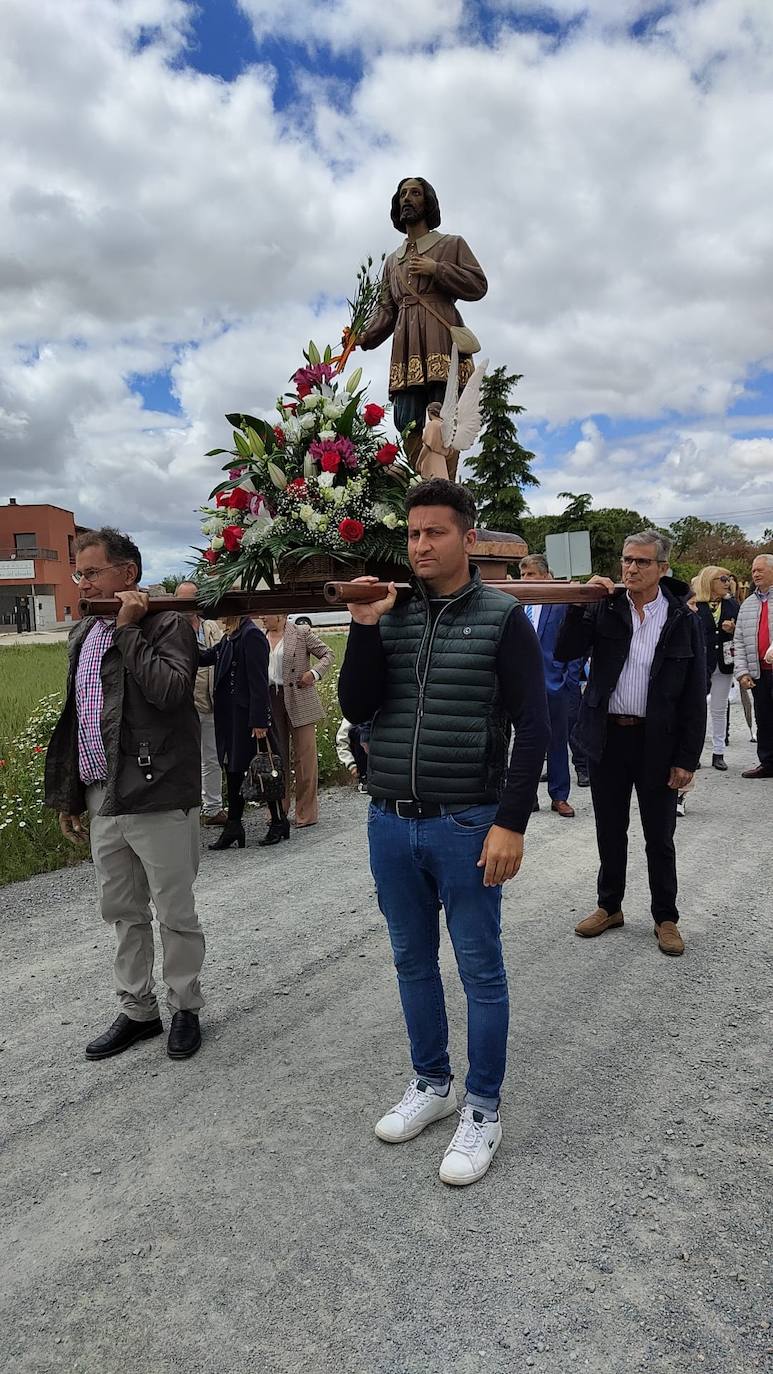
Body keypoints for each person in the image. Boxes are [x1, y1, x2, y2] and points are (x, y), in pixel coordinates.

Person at [338, 478, 549, 1187]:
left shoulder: (501, 616)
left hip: (467, 822)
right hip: (389, 818)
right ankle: (432, 1084)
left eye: (434, 532)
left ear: (468, 537)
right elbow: (358, 704)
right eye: (412, 533)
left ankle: (483, 1109)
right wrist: (365, 626)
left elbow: (534, 726)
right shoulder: (389, 615)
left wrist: (510, 823)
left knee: (480, 970)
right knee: (409, 960)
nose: (420, 545)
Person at [44, 528, 205, 1061]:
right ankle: (138, 1010)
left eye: (92, 572)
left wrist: (129, 630)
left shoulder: (167, 623)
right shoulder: (82, 634)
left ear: (128, 574)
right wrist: (71, 793)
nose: (83, 583)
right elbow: (80, 720)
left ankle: (185, 1007)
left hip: (158, 794)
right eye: (79, 573)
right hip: (103, 794)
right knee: (122, 910)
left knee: (174, 911)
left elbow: (168, 691)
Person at [556, 530, 706, 957]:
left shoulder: (682, 619)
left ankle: (666, 917)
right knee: (610, 828)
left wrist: (686, 759)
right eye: (627, 560)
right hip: (609, 736)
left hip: (658, 741)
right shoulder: (605, 610)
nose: (631, 568)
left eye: (642, 562)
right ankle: (610, 906)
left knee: (659, 834)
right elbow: (565, 651)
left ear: (662, 568)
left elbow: (694, 695)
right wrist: (580, 604)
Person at [357, 177, 487, 467]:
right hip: (406, 347)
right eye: (402, 194)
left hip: (440, 338)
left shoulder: (451, 244)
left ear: (427, 202)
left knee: (443, 413)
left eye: (415, 193)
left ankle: (445, 490)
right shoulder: (393, 261)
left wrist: (437, 269)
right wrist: (364, 337)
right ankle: (420, 488)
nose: (407, 198)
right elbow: (386, 309)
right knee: (406, 419)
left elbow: (478, 284)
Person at [200, 614, 284, 848]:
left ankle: (278, 821)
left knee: (264, 769)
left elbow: (259, 681)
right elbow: (207, 656)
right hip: (231, 718)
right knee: (234, 770)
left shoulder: (251, 635)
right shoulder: (231, 636)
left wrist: (260, 721)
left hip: (247, 719)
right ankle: (234, 825)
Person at [518, 553, 580, 818]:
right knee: (523, 742)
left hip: (555, 684)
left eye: (531, 574)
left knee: (557, 741)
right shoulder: (516, 603)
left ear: (545, 575)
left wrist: (569, 680)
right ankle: (527, 796)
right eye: (522, 575)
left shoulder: (560, 603)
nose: (525, 579)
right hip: (521, 684)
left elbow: (574, 644)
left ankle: (559, 796)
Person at [259, 615, 333, 828]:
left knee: (305, 758)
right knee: (276, 757)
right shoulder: (260, 636)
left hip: (299, 698)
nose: (263, 617)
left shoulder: (300, 633)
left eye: (267, 614)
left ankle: (306, 812)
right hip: (271, 699)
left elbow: (328, 654)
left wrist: (314, 673)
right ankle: (278, 809)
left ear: (281, 615)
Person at [175, 580, 225, 824]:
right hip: (186, 705)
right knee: (185, 760)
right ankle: (187, 811)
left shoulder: (212, 627)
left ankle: (213, 808)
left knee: (212, 758)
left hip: (212, 703)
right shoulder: (172, 628)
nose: (188, 606)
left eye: (192, 599)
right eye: (183, 600)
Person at [692, 566, 739, 771]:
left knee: (719, 709)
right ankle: (692, 753)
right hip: (701, 663)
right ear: (709, 581)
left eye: (728, 578)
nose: (727, 581)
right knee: (695, 709)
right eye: (722, 578)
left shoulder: (732, 604)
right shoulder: (696, 605)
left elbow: (744, 632)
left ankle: (718, 752)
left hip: (724, 663)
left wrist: (734, 629)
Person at [733, 553, 773, 778]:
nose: (755, 574)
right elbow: (738, 641)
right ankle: (768, 763)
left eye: (760, 570)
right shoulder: (748, 604)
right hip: (758, 673)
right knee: (764, 719)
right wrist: (742, 672)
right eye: (753, 571)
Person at [336, 716, 370, 791]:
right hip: (363, 761)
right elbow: (342, 742)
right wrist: (351, 765)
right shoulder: (353, 712)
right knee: (359, 731)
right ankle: (364, 778)